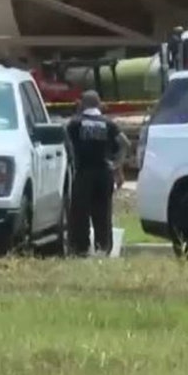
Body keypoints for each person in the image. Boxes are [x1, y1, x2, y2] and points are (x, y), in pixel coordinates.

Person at [64, 91, 128, 256]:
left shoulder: (75, 124)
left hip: (84, 172)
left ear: (82, 104)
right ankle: (103, 247)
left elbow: (65, 141)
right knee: (103, 211)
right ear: (99, 104)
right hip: (104, 173)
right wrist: (117, 166)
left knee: (80, 212)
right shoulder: (108, 124)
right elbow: (124, 143)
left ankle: (80, 248)